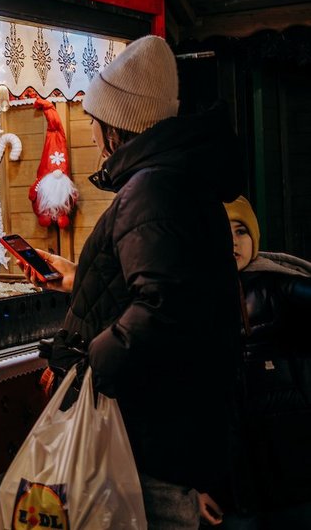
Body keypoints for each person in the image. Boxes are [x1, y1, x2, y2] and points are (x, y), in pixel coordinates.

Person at [24, 35, 246, 528]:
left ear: (117, 126)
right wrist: (80, 279)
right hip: (177, 435)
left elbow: (164, 309)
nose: (95, 134)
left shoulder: (151, 189)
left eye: (98, 122)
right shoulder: (179, 180)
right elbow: (174, 286)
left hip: (152, 443)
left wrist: (86, 372)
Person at [222, 196, 311, 528]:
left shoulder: (277, 285)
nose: (232, 240)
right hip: (232, 479)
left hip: (290, 470)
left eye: (241, 230)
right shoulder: (188, 295)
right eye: (221, 230)